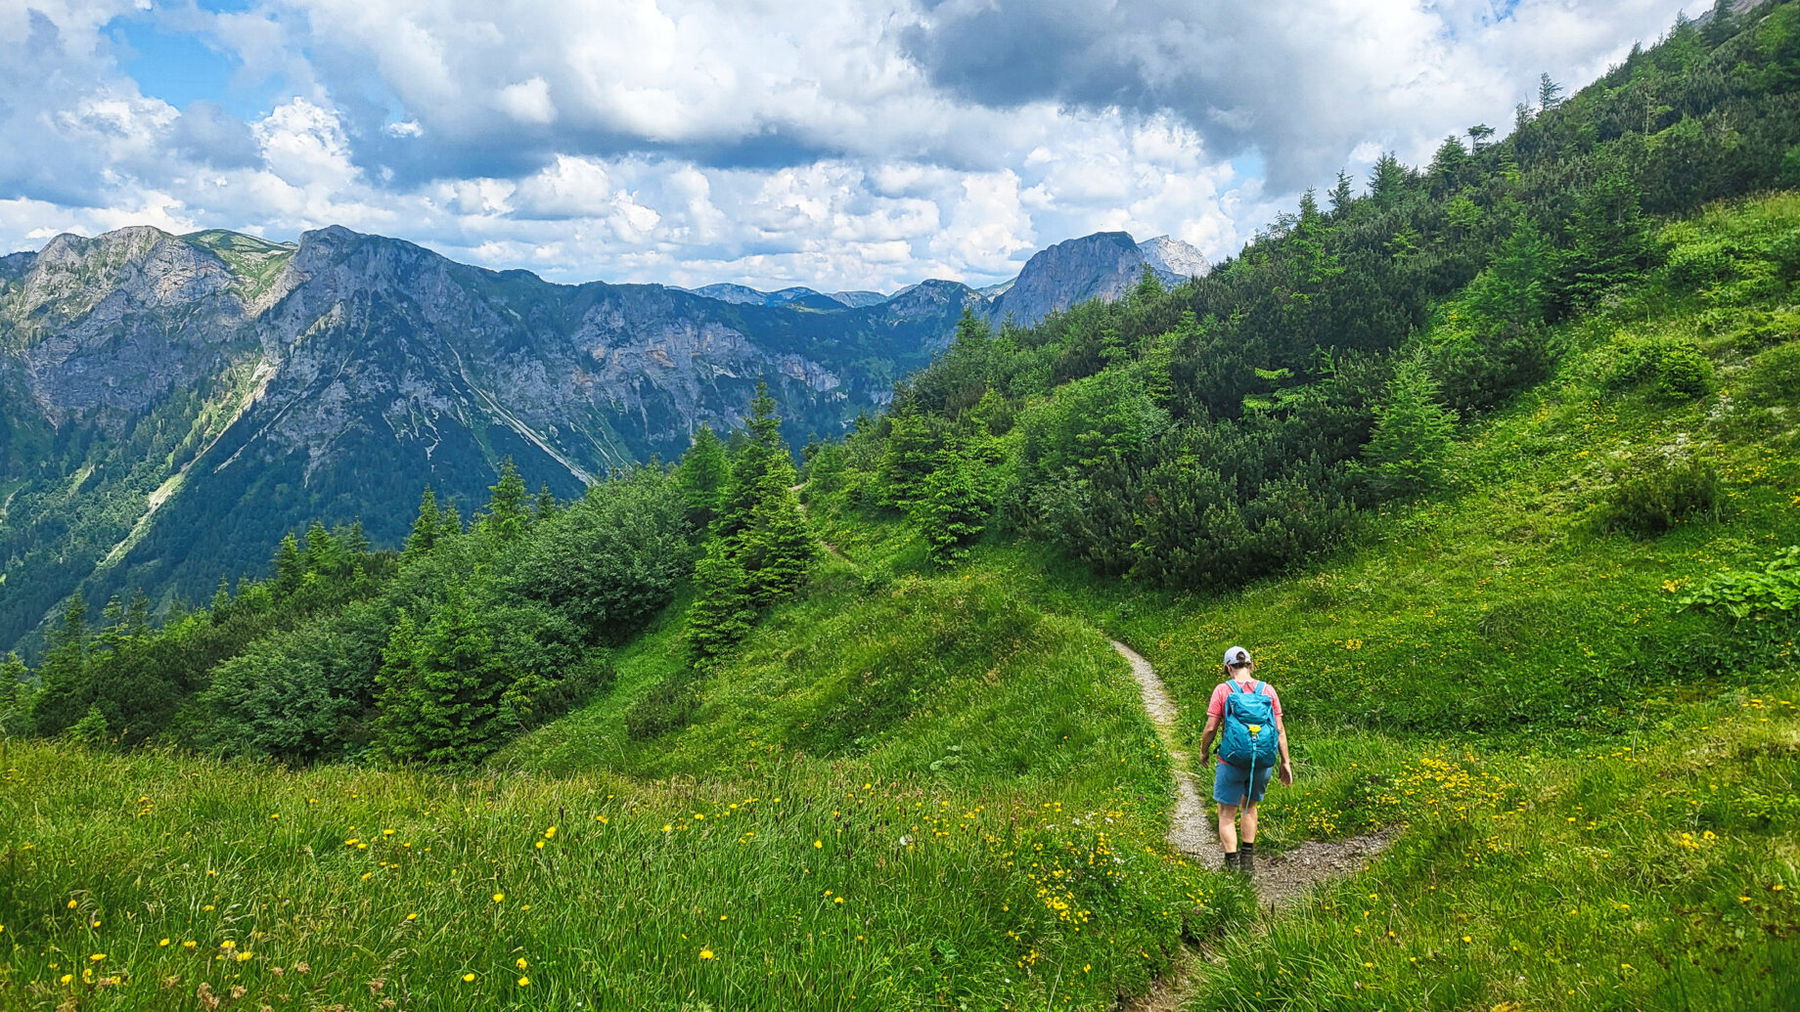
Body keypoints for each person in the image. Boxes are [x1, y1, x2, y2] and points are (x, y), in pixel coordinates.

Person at [1198, 645, 1293, 877]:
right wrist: (1285, 762)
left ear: (1228, 667)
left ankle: (1231, 865)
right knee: (1249, 807)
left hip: (1231, 760)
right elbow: (1279, 729)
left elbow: (1211, 728)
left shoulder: (1223, 690)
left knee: (1226, 812)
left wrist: (1204, 751)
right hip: (1262, 760)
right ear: (1251, 665)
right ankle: (1248, 861)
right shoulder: (1268, 690)